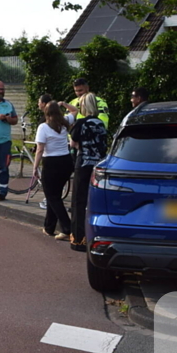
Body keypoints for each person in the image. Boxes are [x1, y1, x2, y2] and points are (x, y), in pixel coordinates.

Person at [69, 93, 108, 252]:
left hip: (83, 163)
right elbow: (103, 146)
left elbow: (73, 143)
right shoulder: (100, 124)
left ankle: (78, 239)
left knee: (78, 201)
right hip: (97, 165)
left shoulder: (81, 123)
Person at [32, 100, 75, 239]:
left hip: (51, 163)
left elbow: (40, 149)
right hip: (67, 162)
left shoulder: (43, 127)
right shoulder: (64, 123)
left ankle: (67, 228)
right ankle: (49, 227)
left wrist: (35, 167)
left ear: (46, 112)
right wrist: (64, 104)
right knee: (54, 195)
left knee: (52, 196)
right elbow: (75, 111)